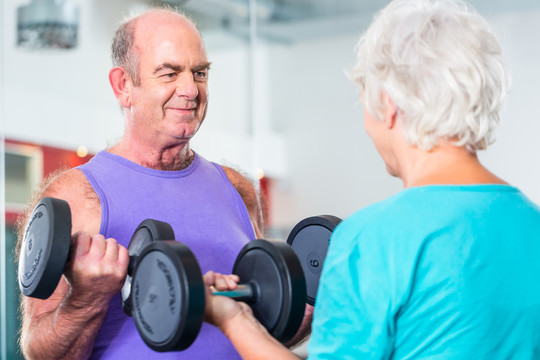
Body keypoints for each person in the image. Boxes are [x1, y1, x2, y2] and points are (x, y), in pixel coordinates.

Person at [203, 0, 540, 358]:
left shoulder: (373, 239)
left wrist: (233, 319)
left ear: (389, 103)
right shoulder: (531, 223)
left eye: (365, 99)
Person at [17, 7, 312, 360]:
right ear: (123, 85)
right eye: (170, 73)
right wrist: (87, 298)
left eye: (199, 73)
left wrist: (310, 299)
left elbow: (270, 326)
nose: (190, 89)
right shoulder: (73, 195)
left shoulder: (237, 187)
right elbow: (41, 353)